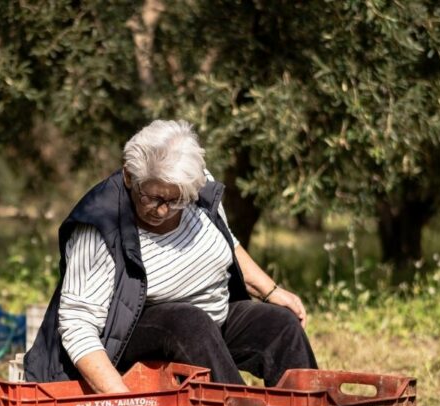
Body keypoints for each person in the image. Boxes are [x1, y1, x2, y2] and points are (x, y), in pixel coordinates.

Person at [25, 119, 317, 391]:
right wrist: (123, 399)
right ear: (129, 176)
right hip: (130, 339)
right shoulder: (100, 225)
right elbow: (77, 325)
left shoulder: (195, 187)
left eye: (175, 200)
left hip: (211, 325)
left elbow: (227, 241)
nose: (163, 210)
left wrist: (272, 291)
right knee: (189, 322)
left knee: (280, 325)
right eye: (153, 198)